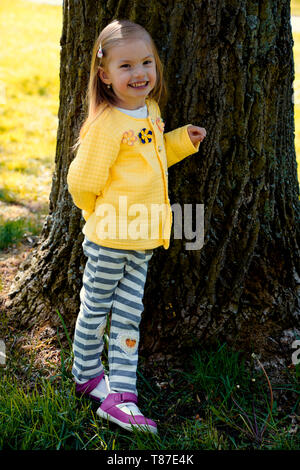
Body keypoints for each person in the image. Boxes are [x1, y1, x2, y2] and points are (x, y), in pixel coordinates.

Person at [67, 18, 206, 434]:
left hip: (143, 238)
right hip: (110, 239)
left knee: (129, 316)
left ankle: (122, 395)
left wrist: (182, 141)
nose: (140, 73)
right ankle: (87, 373)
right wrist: (96, 215)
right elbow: (81, 182)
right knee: (95, 309)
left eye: (147, 62)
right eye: (126, 66)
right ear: (104, 74)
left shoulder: (151, 113)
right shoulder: (107, 125)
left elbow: (153, 159)